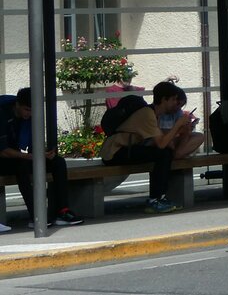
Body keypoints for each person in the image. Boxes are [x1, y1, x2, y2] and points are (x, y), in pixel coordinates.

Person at [100, 80, 196, 213]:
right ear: (164, 99)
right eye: (174, 100)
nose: (176, 104)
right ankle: (155, 200)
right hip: (115, 152)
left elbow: (162, 142)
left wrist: (181, 131)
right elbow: (162, 144)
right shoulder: (147, 114)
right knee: (163, 154)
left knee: (163, 154)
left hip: (124, 149)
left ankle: (159, 198)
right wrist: (178, 125)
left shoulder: (153, 114)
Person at [0, 88, 85, 227]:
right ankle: (36, 215)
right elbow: (3, 151)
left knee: (57, 162)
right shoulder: (2, 114)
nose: (30, 114)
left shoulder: (31, 117)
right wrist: (32, 156)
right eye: (27, 110)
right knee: (22, 167)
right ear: (17, 105)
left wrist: (44, 154)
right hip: (4, 160)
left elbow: (33, 145)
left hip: (19, 157)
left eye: (33, 110)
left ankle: (63, 211)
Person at [156, 83, 205, 159]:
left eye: (181, 106)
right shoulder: (160, 112)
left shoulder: (178, 112)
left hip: (174, 140)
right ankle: (179, 154)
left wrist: (187, 128)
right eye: (175, 102)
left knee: (199, 136)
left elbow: (181, 132)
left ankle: (179, 154)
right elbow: (162, 136)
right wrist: (179, 128)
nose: (178, 108)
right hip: (165, 142)